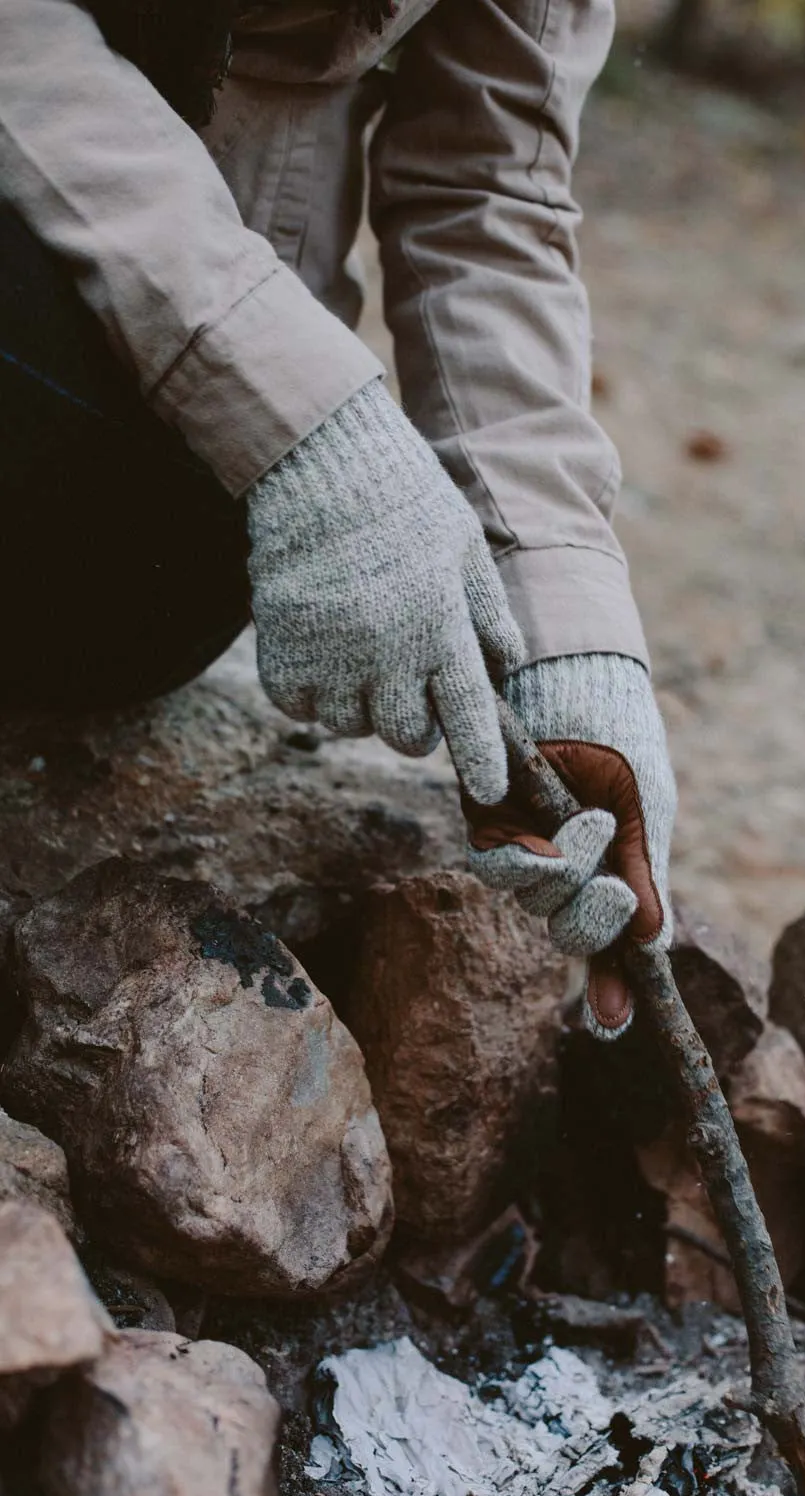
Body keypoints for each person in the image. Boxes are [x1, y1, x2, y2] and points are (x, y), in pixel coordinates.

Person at [0, 0, 676, 1037]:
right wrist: (294, 411)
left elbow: (489, 189)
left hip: (167, 499)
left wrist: (569, 644)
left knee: (142, 602)